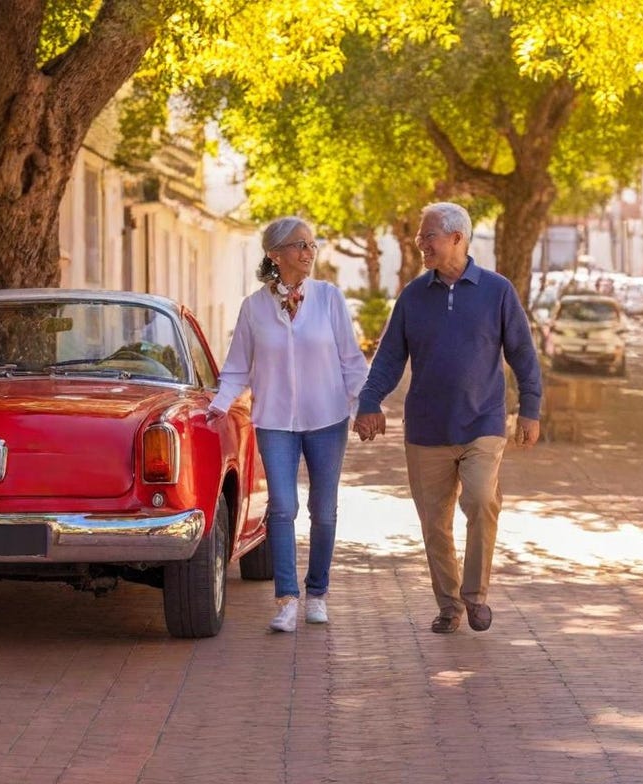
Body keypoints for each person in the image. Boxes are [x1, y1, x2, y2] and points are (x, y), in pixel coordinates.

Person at [353, 201, 542, 634]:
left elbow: (523, 357)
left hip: (483, 423)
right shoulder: (413, 297)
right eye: (420, 237)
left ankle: (475, 597)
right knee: (434, 523)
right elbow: (388, 359)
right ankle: (449, 604)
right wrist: (369, 401)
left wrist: (529, 409)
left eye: (428, 236)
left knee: (479, 498)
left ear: (457, 238)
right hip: (426, 428)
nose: (421, 244)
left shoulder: (497, 291)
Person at [208, 216, 369, 632]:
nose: (308, 253)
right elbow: (236, 368)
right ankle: (286, 599)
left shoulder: (330, 299)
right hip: (275, 420)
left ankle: (317, 593)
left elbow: (352, 361)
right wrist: (220, 406)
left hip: (327, 418)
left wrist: (365, 405)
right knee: (282, 508)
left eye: (312, 245)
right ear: (275, 254)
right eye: (300, 246)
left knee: (324, 510)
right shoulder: (254, 308)